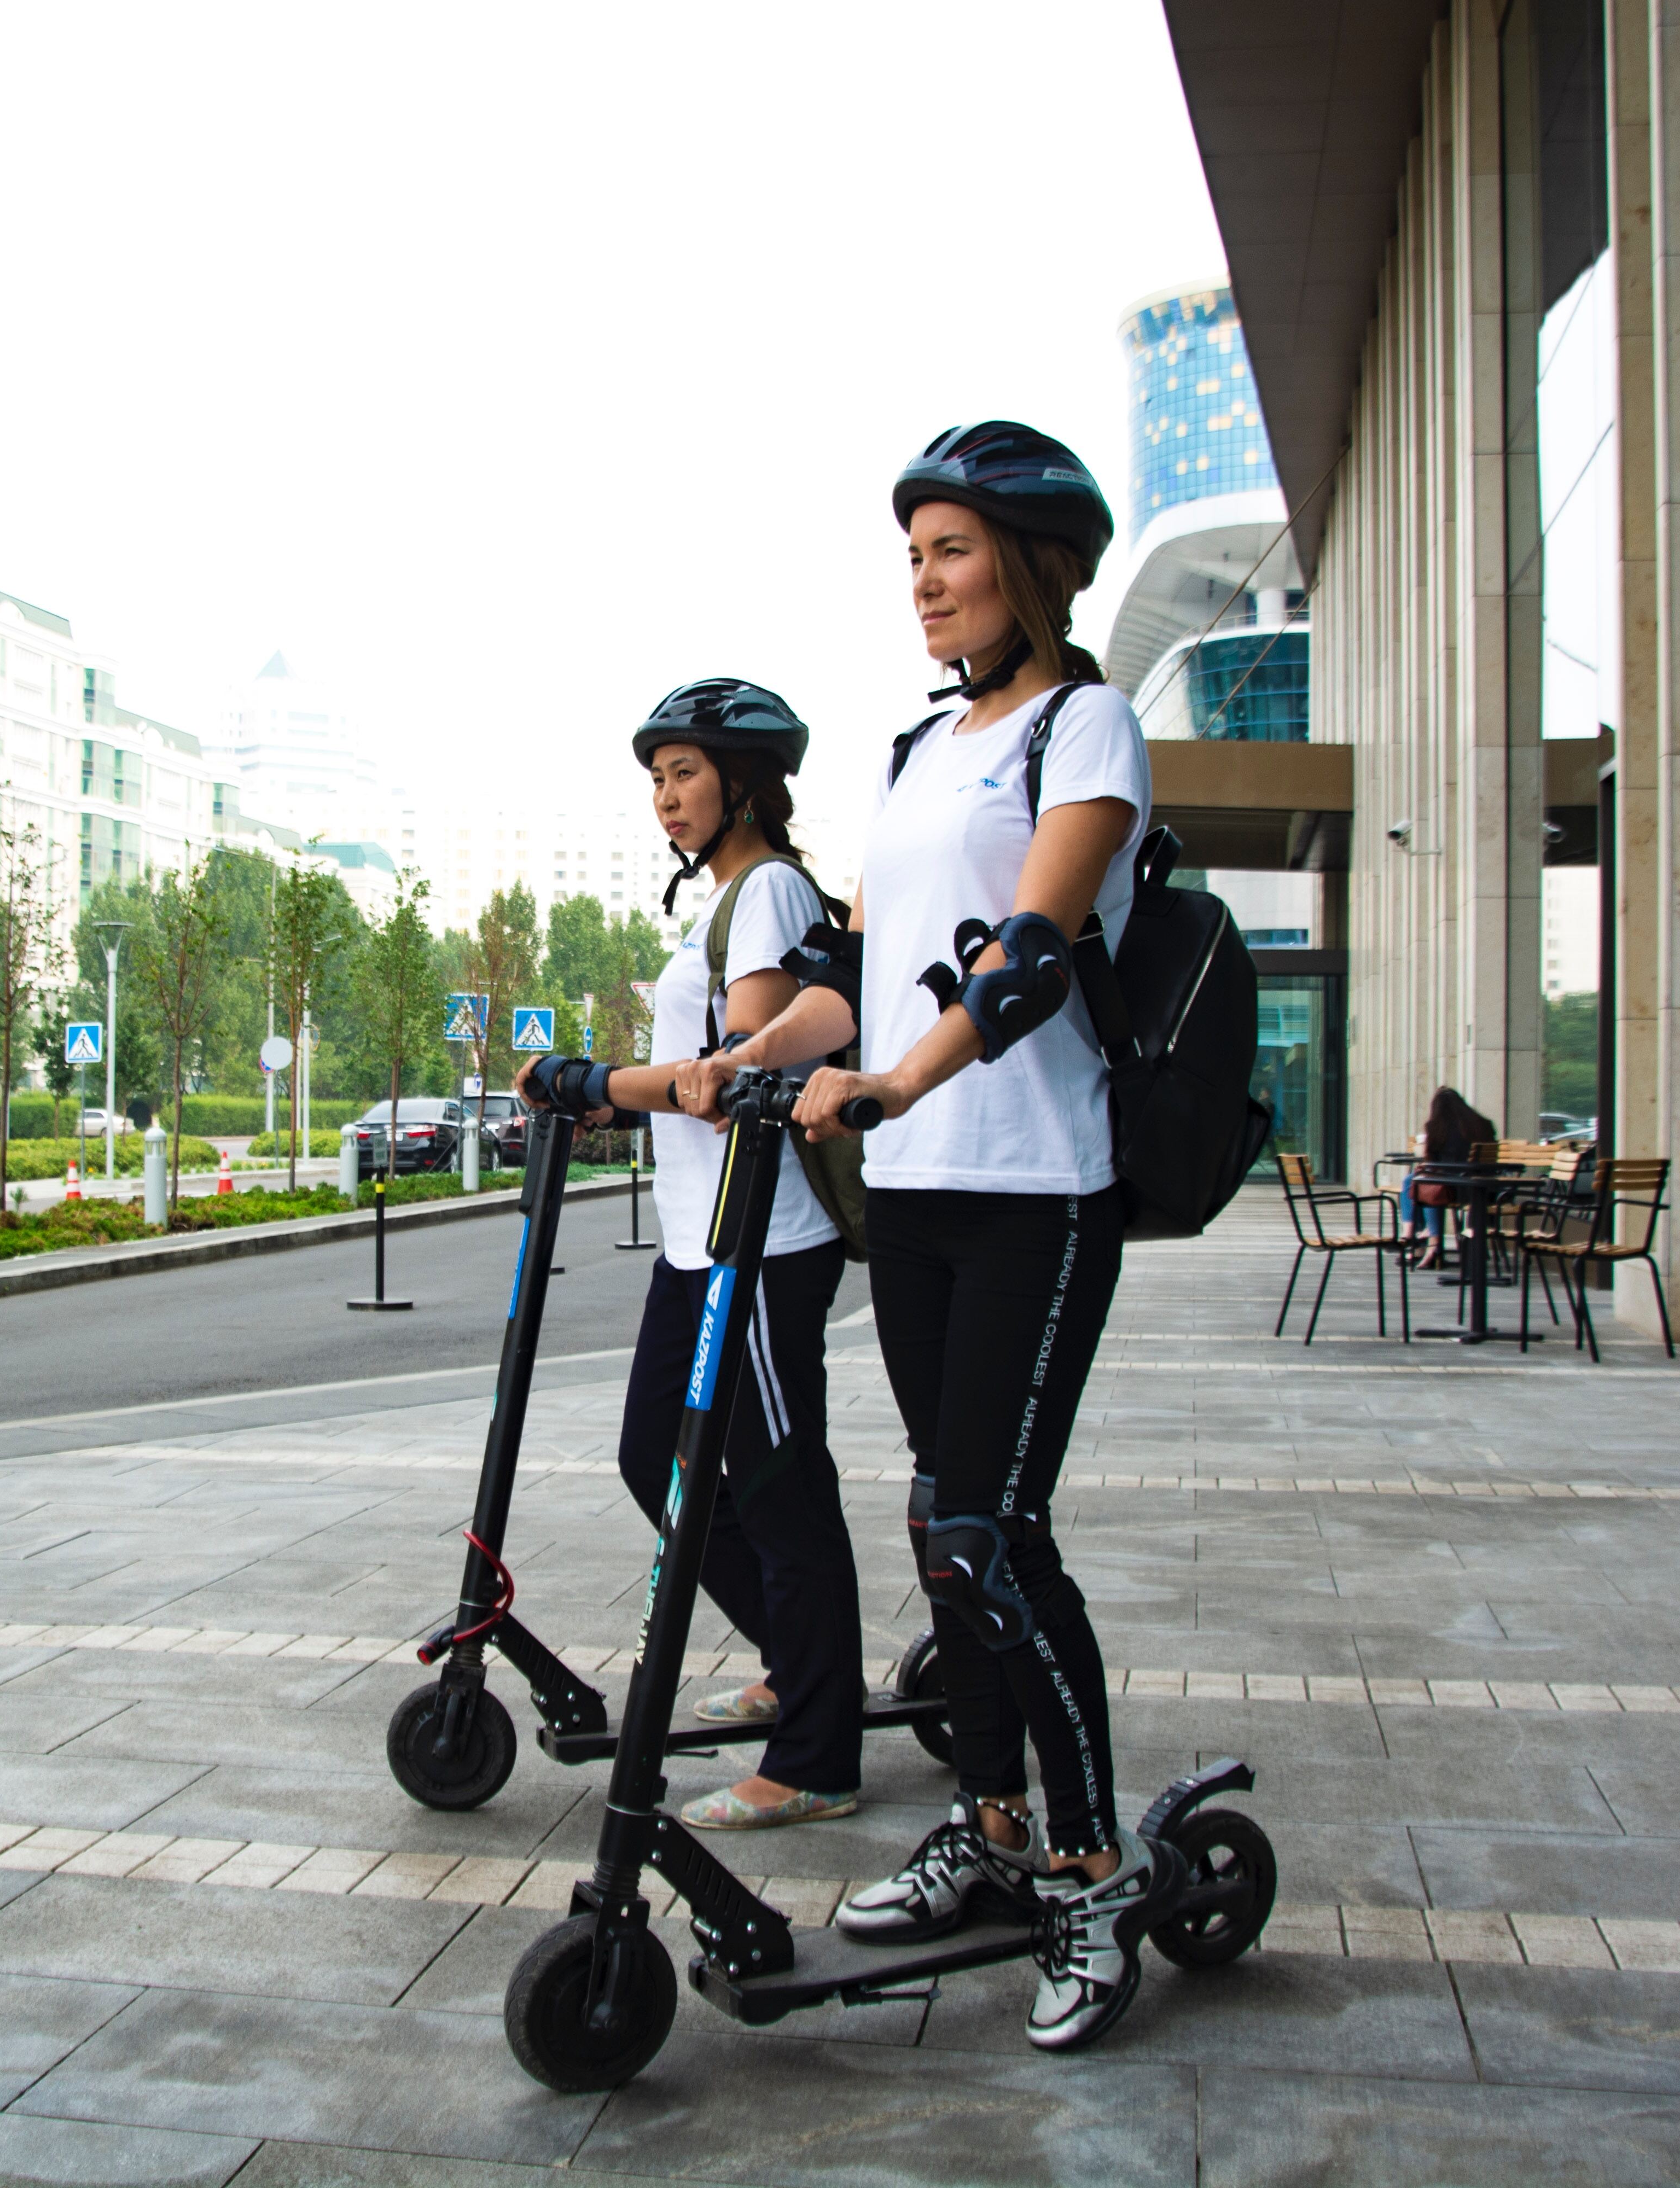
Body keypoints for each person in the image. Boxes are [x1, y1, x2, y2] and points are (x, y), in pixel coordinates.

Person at [709, 420, 1159, 2050]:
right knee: (934, 1528)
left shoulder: (1084, 725)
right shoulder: (913, 757)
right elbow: (857, 965)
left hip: (1035, 1183)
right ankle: (990, 1826)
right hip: (916, 1192)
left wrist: (893, 1076)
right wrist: (762, 1057)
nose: (923, 581)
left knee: (990, 1530)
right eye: (911, 555)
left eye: (951, 550)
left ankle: (1093, 1867)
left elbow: (1031, 947)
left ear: (1027, 567)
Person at [521, 678, 864, 1832]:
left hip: (759, 1245)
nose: (666, 798)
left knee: (777, 1481)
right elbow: (689, 1082)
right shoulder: (723, 901)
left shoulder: (766, 893)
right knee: (648, 1454)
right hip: (697, 1245)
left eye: (685, 774)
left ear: (744, 784)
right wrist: (614, 1100)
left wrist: (595, 1080)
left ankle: (817, 1746)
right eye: (657, 778)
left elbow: (737, 1082)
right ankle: (797, 1655)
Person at [1400, 1085, 1497, 1265]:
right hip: (1484, 1188)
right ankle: (1422, 1239)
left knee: (1422, 1183)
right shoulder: (1484, 1124)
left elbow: (1431, 1163)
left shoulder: (1437, 1128)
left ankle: (1419, 1237)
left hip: (1454, 1189)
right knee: (1419, 1182)